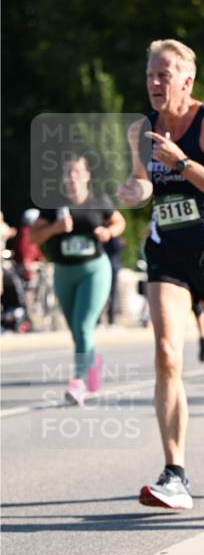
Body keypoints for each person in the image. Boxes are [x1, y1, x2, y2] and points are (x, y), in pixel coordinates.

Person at [117, 39, 204, 509]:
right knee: (165, 354)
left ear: (186, 80)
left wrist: (182, 162)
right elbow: (142, 182)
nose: (154, 83)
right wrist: (134, 191)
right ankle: (175, 471)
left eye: (163, 74)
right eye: (149, 75)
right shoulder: (140, 129)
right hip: (168, 252)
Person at [29, 156, 126, 403]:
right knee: (76, 329)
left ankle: (78, 381)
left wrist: (108, 231)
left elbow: (119, 222)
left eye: (77, 172)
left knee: (83, 326)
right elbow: (32, 237)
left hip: (94, 269)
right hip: (64, 271)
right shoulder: (54, 204)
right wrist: (54, 229)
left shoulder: (99, 201)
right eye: (68, 172)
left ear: (87, 175)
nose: (72, 177)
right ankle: (92, 363)